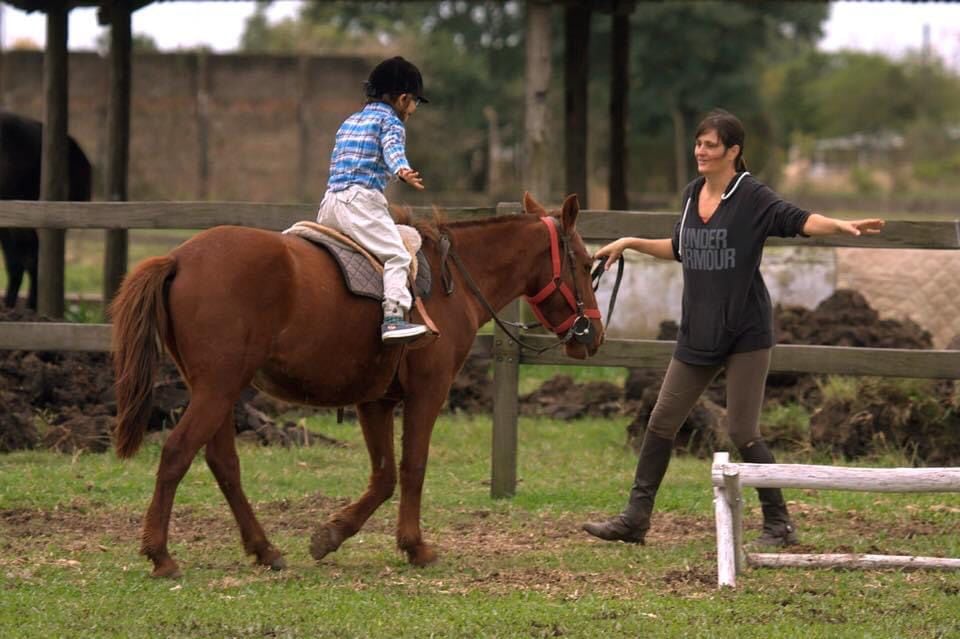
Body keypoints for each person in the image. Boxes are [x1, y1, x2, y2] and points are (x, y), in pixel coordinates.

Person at [583, 109, 884, 547]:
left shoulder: (752, 197)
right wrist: (628, 242)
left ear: (734, 151)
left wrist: (840, 224)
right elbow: (681, 247)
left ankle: (779, 524)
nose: (701, 152)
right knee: (661, 422)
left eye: (711, 145)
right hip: (698, 333)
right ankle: (635, 519)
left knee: (743, 431)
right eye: (699, 144)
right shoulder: (692, 194)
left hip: (745, 333)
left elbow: (797, 219)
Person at [317, 56, 430, 344]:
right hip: (361, 203)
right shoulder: (391, 122)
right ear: (403, 99)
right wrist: (402, 170)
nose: (413, 109)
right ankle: (393, 318)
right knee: (397, 255)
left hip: (330, 202)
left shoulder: (350, 121)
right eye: (414, 102)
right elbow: (392, 148)